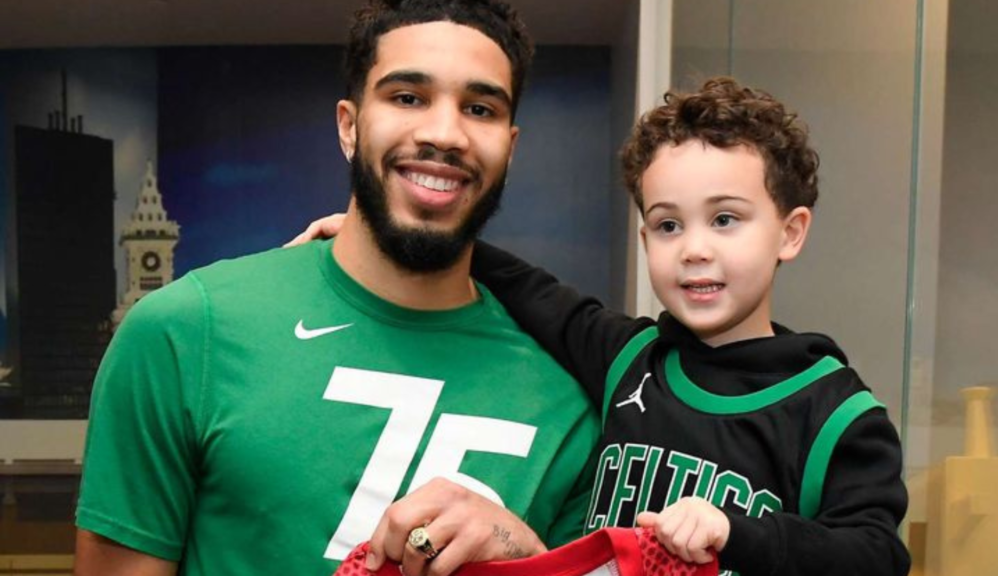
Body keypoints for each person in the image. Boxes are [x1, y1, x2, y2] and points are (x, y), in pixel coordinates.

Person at [298, 77, 911, 576]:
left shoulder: (837, 413)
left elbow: (877, 556)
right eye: (669, 226)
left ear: (791, 231)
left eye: (725, 220)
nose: (694, 249)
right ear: (645, 239)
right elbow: (532, 290)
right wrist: (379, 239)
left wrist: (736, 533)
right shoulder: (630, 356)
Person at [72, 1, 600, 575]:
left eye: (479, 108)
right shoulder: (183, 333)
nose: (445, 134)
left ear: (510, 148)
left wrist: (527, 555)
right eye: (407, 97)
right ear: (349, 126)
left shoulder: (569, 401)